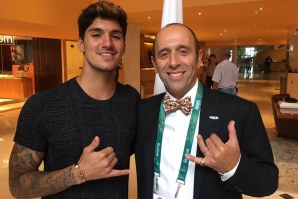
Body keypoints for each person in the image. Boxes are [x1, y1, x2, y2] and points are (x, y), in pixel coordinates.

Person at [9, 1, 140, 199]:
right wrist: (78, 173)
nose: (107, 43)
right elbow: (17, 186)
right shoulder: (42, 105)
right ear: (81, 44)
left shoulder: (131, 99)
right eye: (96, 35)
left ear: (123, 46)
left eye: (116, 36)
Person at [135, 23, 278, 199]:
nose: (173, 62)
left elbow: (268, 182)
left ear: (199, 57)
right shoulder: (143, 111)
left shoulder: (240, 111)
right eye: (164, 54)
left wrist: (233, 167)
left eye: (183, 51)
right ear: (155, 64)